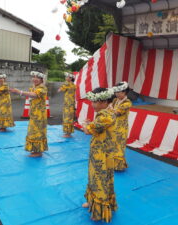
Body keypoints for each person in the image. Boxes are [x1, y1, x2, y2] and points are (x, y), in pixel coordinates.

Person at [82, 87, 117, 223]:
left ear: (104, 101)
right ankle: (93, 202)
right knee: (95, 178)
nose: (92, 104)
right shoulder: (106, 113)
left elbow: (87, 131)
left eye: (94, 102)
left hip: (103, 154)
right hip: (99, 151)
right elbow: (96, 128)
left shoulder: (105, 116)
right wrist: (91, 124)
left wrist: (85, 124)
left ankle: (99, 210)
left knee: (99, 180)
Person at [10, 71, 48, 157]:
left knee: (37, 132)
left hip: (39, 115)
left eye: (37, 78)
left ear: (42, 79)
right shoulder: (34, 87)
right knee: (33, 131)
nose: (35, 79)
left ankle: (38, 151)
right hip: (34, 113)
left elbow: (34, 95)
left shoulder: (42, 88)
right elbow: (32, 95)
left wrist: (20, 92)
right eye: (34, 77)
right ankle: (35, 150)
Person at [111, 81, 132, 171]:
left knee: (119, 146)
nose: (117, 94)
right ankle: (113, 164)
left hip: (121, 128)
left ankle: (119, 166)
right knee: (112, 145)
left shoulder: (127, 103)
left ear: (125, 92)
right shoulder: (115, 100)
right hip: (113, 126)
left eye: (120, 92)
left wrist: (109, 108)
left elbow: (117, 113)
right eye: (116, 92)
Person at [57, 72, 76, 138]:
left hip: (68, 103)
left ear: (70, 78)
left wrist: (62, 87)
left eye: (67, 77)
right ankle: (69, 132)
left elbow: (59, 90)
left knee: (67, 117)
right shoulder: (73, 84)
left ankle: (67, 133)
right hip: (71, 102)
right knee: (70, 117)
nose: (66, 78)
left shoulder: (67, 84)